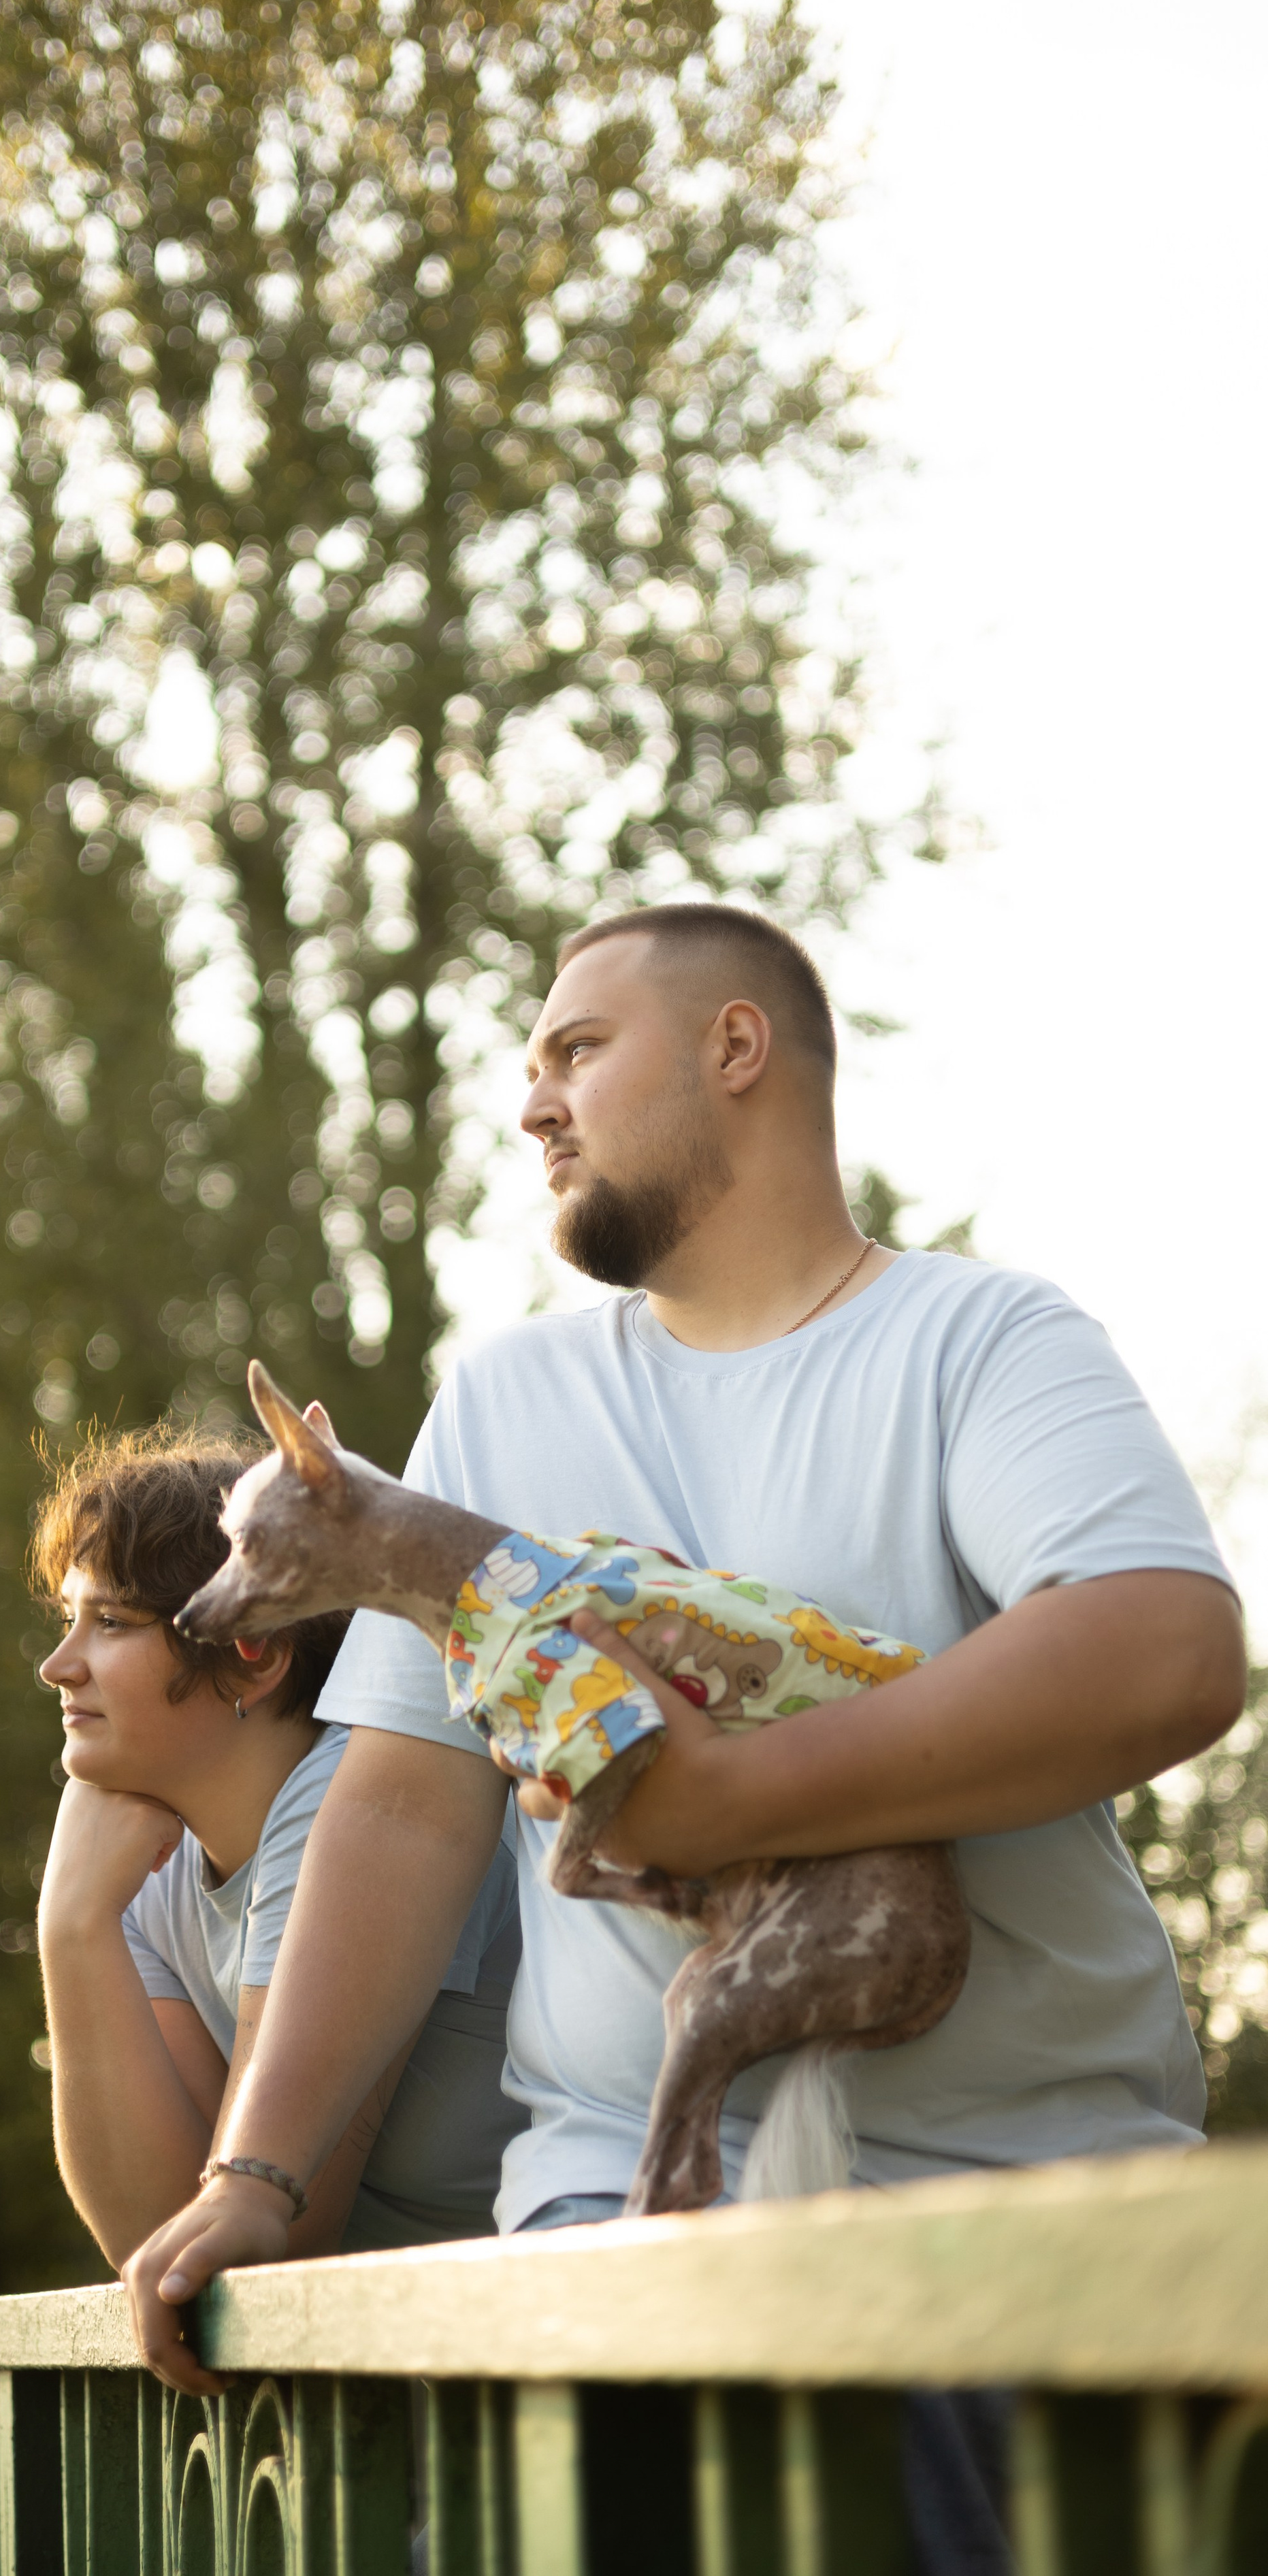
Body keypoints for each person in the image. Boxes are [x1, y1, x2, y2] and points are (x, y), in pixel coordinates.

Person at [123, 902, 1244, 2396]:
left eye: (575, 1050)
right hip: (615, 2236)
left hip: (1021, 2224)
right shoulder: (498, 1404)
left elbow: (1161, 1647)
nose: (530, 1105)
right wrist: (253, 2172)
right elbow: (399, 1808)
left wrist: (723, 1805)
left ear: (735, 1048)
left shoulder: (982, 1341)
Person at [31, 1423, 524, 2270]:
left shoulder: (353, 1800)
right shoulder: (139, 1878)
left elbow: (275, 2245)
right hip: (422, 2372)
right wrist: (73, 1925)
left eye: (109, 1621)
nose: (57, 1665)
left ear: (252, 1655)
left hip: (592, 2332)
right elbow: (166, 2239)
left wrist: (76, 1920)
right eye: (70, 1619)